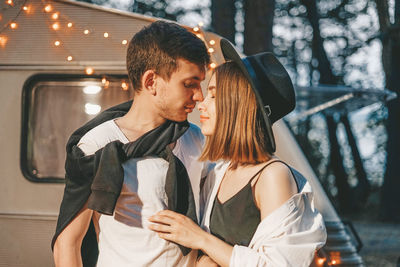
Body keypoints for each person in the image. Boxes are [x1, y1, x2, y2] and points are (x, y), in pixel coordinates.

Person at [148, 39, 327, 267]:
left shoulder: (272, 176)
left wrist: (201, 239)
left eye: (213, 95)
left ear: (238, 104)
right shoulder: (220, 171)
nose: (202, 103)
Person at [52, 21, 212, 267]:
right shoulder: (98, 144)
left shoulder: (197, 139)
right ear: (151, 82)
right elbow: (68, 243)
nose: (199, 95)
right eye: (189, 84)